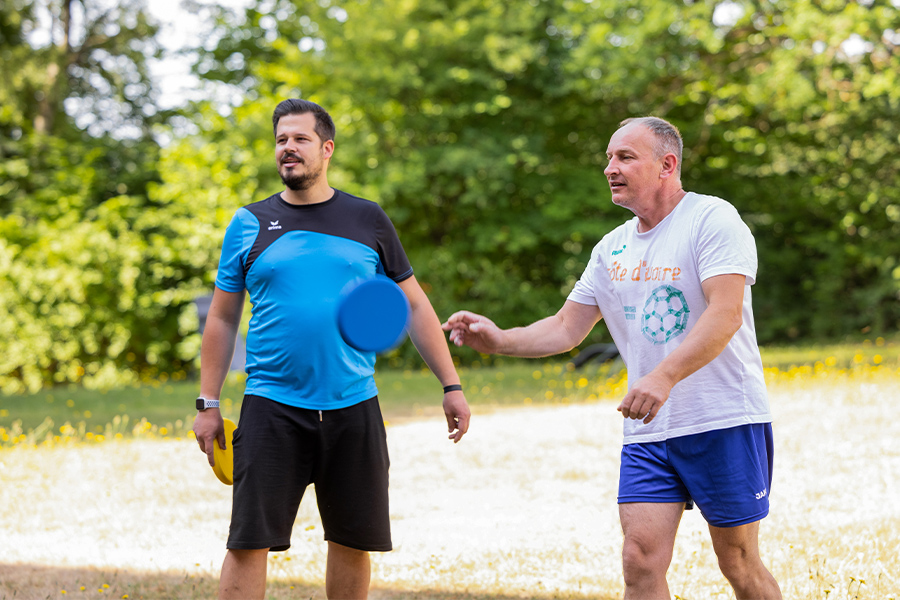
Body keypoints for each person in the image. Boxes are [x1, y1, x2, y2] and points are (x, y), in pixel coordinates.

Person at [442, 117, 781, 599]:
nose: (610, 168)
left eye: (624, 157)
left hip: (721, 419)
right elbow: (565, 328)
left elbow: (724, 316)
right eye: (608, 157)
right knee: (639, 559)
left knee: (738, 562)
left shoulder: (712, 219)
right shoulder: (612, 248)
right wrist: (499, 340)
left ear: (667, 165)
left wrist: (663, 377)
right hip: (649, 428)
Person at [192, 98, 472, 600]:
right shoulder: (249, 222)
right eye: (281, 140)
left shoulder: (368, 219)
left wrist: (451, 385)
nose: (288, 149)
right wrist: (208, 404)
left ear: (326, 148)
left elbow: (415, 306)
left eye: (299, 139)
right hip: (272, 406)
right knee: (247, 541)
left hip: (353, 404)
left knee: (352, 540)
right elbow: (222, 317)